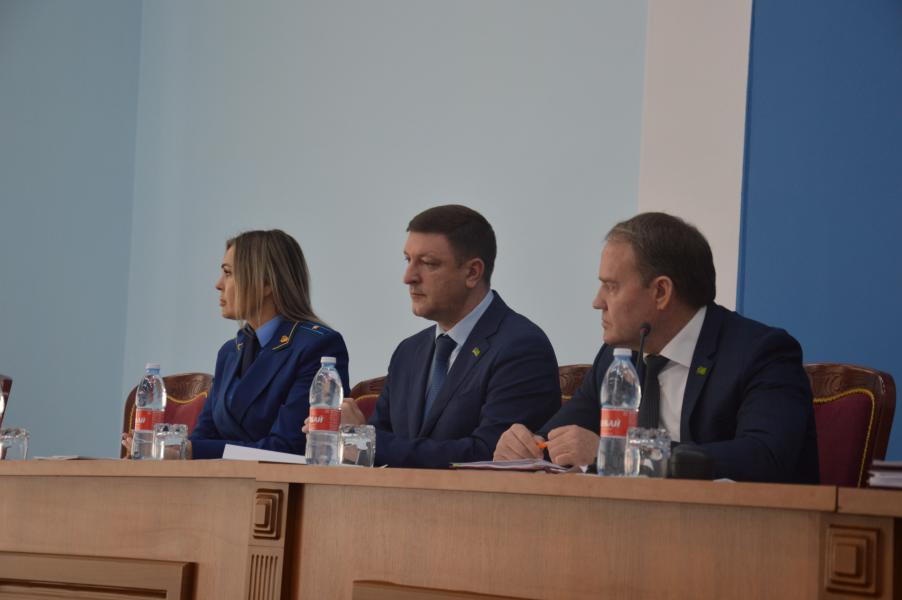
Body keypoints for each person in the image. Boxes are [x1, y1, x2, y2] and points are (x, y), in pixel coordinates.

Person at [493, 212, 819, 483]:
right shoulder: (617, 358)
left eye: (611, 287)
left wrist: (618, 456)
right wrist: (525, 446)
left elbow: (765, 458)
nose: (597, 302)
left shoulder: (761, 353)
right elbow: (557, 439)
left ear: (661, 292)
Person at [340, 205, 561, 468]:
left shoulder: (521, 347)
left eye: (428, 263)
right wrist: (347, 439)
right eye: (408, 260)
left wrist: (363, 440)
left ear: (472, 272)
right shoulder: (408, 352)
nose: (408, 277)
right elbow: (378, 449)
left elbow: (489, 455)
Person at [133, 229, 350, 459]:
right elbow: (203, 436)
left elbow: (289, 447)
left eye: (228, 273)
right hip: (224, 478)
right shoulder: (230, 351)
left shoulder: (317, 346)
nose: (218, 284)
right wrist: (167, 450)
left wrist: (189, 450)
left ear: (266, 284)